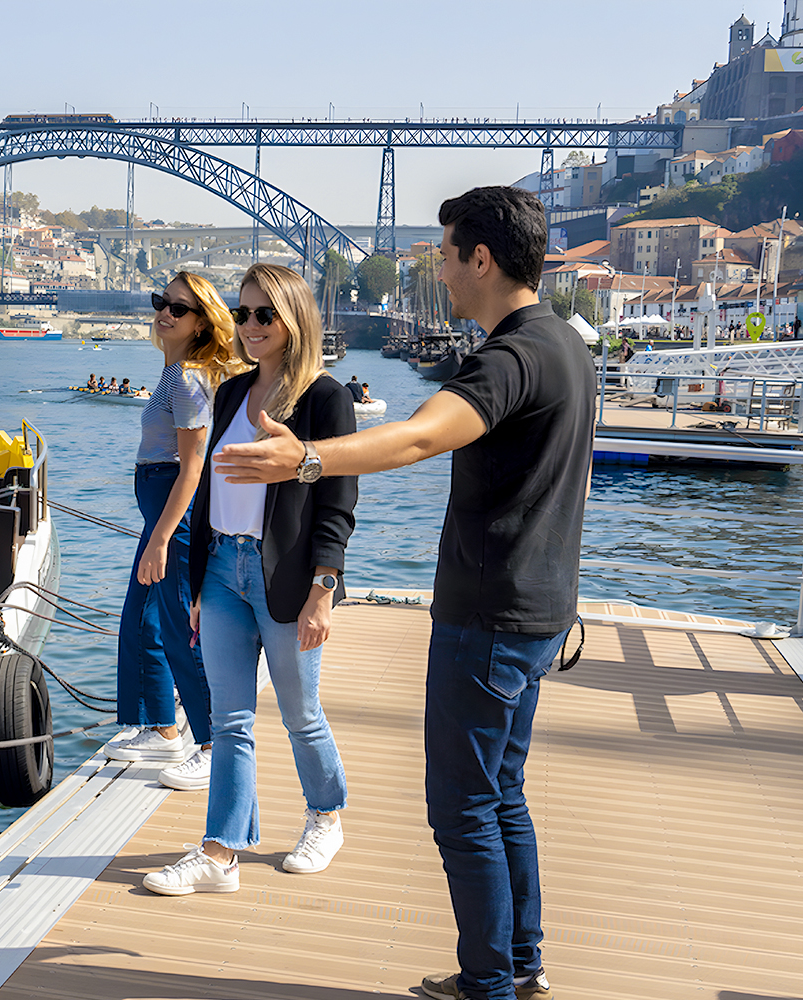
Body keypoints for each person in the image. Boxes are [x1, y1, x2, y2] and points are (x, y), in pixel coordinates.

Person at [215, 187, 593, 1000]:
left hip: (488, 620)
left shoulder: (510, 357)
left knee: (460, 810)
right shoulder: (567, 344)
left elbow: (422, 434)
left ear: (481, 259)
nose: (443, 271)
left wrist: (305, 461)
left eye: (448, 254)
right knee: (504, 795)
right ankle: (520, 966)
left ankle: (488, 983)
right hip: (539, 611)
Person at [142, 263, 356, 896]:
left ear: (292, 318)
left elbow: (338, 502)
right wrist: (203, 582)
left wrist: (324, 587)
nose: (251, 326)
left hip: (284, 576)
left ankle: (326, 814)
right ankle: (220, 853)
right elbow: (207, 491)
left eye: (265, 314)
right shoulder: (232, 392)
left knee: (299, 713)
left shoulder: (324, 397)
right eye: (242, 314)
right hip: (224, 573)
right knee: (230, 720)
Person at [105, 274, 243, 791]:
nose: (165, 313)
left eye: (179, 309)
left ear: (202, 322)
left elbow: (192, 466)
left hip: (174, 512)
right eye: (161, 303)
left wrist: (163, 537)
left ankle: (212, 744)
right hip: (160, 508)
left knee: (182, 622)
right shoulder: (173, 372)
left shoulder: (186, 378)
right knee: (144, 616)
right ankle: (164, 729)